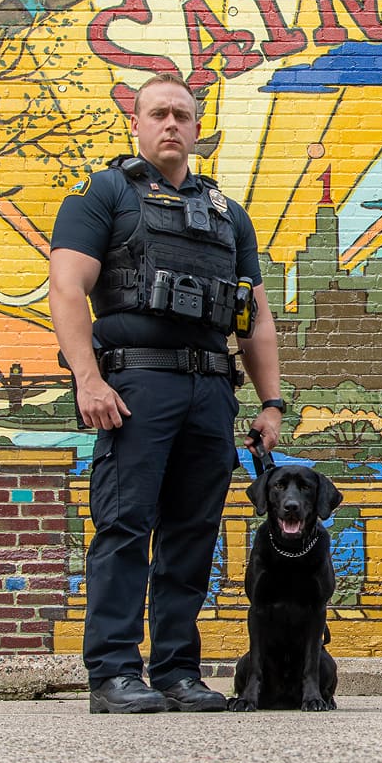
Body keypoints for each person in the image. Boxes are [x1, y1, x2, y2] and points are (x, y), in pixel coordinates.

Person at [49, 74, 285, 714]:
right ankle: (113, 674)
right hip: (135, 384)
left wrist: (271, 403)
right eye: (158, 114)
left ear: (197, 126)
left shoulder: (226, 214)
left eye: (182, 114)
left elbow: (254, 317)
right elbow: (68, 289)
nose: (171, 125)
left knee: (194, 532)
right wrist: (87, 378)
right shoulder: (102, 194)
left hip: (210, 387)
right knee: (125, 527)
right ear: (136, 123)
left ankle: (178, 671)